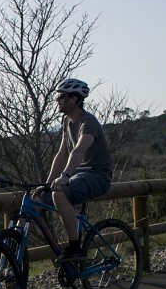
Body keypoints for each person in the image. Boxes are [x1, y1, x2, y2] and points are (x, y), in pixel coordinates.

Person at [35, 78, 112, 261]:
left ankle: (75, 248)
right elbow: (62, 154)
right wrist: (46, 184)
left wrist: (65, 176)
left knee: (59, 193)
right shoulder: (66, 122)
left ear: (74, 99)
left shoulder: (88, 122)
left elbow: (78, 150)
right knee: (35, 198)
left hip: (97, 175)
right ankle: (14, 250)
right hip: (78, 175)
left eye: (61, 97)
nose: (57, 101)